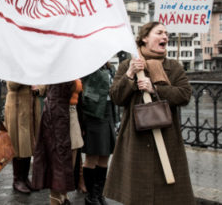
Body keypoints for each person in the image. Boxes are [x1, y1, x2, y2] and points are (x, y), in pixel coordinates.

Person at [103, 22, 194, 205]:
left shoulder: (173, 67)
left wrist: (156, 90)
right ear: (144, 38)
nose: (165, 37)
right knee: (137, 193)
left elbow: (184, 95)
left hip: (166, 137)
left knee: (167, 195)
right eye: (159, 33)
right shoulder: (127, 65)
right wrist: (130, 74)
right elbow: (116, 98)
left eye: (166, 34)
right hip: (136, 137)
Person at [32, 81, 77, 205]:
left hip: (60, 112)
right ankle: (57, 197)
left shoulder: (65, 71)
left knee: (59, 156)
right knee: (56, 156)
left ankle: (61, 196)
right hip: (55, 114)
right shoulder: (58, 69)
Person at [80, 63, 117, 205]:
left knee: (105, 154)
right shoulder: (89, 65)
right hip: (93, 112)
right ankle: (90, 196)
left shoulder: (110, 68)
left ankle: (99, 193)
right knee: (92, 155)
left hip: (108, 111)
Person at [4, 82, 42, 194]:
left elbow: (44, 81)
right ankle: (17, 179)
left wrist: (39, 88)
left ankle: (25, 178)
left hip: (31, 107)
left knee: (29, 143)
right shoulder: (14, 64)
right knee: (18, 143)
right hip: (17, 107)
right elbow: (11, 85)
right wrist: (26, 78)